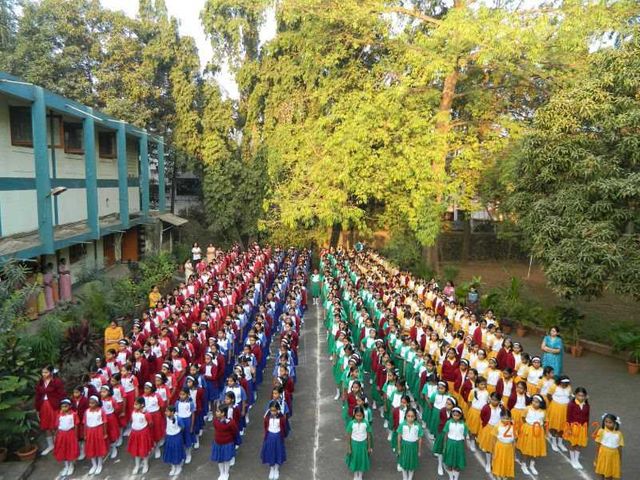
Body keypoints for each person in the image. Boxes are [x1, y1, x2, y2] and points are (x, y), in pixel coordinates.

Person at [35, 365, 66, 456]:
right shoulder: (40, 383)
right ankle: (50, 445)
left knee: (55, 426)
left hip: (54, 406)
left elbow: (62, 395)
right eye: (43, 372)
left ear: (51, 373)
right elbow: (37, 396)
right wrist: (37, 408)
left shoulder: (57, 382)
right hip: (43, 406)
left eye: (46, 372)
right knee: (46, 426)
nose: (44, 374)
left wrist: (63, 408)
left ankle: (59, 445)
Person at [516, 394, 547, 475]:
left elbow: (544, 421)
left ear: (541, 403)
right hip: (528, 429)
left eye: (537, 402)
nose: (534, 403)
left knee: (535, 448)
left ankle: (532, 465)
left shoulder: (543, 412)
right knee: (526, 448)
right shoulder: (527, 409)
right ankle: (523, 464)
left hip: (538, 431)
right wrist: (528, 426)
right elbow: (523, 418)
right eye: (533, 401)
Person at [564, 387, 590, 470]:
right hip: (574, 427)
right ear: (575, 395)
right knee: (573, 443)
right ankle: (572, 460)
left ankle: (576, 459)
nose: (581, 397)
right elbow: (568, 417)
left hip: (583, 428)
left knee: (579, 444)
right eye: (579, 395)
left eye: (582, 396)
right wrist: (569, 428)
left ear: (585, 396)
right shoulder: (571, 405)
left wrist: (586, 428)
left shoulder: (587, 405)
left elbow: (587, 417)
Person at [261, 400, 288, 480]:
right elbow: (265, 426)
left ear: (278, 410)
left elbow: (283, 427)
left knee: (277, 452)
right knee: (271, 453)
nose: (272, 412)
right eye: (271, 410)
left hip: (278, 437)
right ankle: (271, 469)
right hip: (270, 437)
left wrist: (282, 437)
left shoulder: (281, 418)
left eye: (274, 411)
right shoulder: (267, 417)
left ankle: (276, 469)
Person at [127, 397, 155, 475]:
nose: (134, 406)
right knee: (136, 450)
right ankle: (137, 465)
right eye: (134, 404)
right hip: (134, 433)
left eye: (136, 404)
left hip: (143, 434)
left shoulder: (146, 414)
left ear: (142, 405)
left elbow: (151, 424)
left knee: (144, 450)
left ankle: (145, 464)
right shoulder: (133, 412)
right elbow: (133, 421)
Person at [211, 404, 238, 480]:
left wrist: (231, 440)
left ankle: (226, 473)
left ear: (223, 413)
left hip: (227, 443)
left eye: (218, 411)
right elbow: (216, 429)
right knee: (220, 459)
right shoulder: (215, 421)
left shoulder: (230, 423)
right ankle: (221, 473)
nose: (216, 413)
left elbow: (234, 431)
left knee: (226, 459)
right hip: (218, 443)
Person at [53, 398, 79, 477]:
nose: (64, 408)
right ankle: (66, 466)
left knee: (70, 450)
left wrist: (75, 435)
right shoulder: (59, 415)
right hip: (61, 435)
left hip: (70, 434)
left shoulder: (73, 414)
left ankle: (71, 465)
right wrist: (56, 435)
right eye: (62, 406)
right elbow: (57, 426)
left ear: (70, 406)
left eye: (66, 406)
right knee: (63, 450)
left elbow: (76, 425)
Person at [396, 407, 424, 480]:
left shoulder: (418, 426)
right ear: (405, 416)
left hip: (413, 447)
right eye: (408, 416)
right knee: (404, 463)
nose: (410, 418)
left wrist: (419, 451)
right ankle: (405, 477)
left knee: (412, 464)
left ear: (415, 417)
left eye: (412, 416)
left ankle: (410, 477)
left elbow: (420, 439)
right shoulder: (402, 425)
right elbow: (399, 438)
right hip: (404, 446)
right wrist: (399, 449)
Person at [594, 413, 624, 480]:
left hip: (613, 456)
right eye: (606, 422)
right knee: (602, 472)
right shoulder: (601, 431)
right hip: (603, 454)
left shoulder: (619, 434)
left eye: (610, 422)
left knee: (609, 475)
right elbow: (598, 445)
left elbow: (620, 448)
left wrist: (620, 459)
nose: (607, 424)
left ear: (615, 423)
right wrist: (596, 458)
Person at [345, 406, 372, 480]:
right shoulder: (351, 423)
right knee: (355, 459)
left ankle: (360, 475)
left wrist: (369, 447)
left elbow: (369, 436)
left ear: (363, 415)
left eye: (360, 416)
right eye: (357, 415)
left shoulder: (366, 423)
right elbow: (348, 436)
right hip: (354, 445)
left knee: (361, 460)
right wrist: (349, 447)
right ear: (354, 415)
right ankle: (355, 475)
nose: (359, 418)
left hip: (363, 444)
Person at [84, 395, 108, 475]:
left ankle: (99, 464)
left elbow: (104, 422)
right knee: (91, 448)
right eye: (90, 403)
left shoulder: (101, 411)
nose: (91, 405)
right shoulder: (87, 412)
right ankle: (94, 464)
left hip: (98, 431)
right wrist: (85, 434)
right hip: (90, 432)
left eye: (93, 403)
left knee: (99, 448)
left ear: (97, 403)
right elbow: (85, 424)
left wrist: (105, 433)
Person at [442, 406, 468, 480]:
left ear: (461, 415)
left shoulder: (463, 424)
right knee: (449, 462)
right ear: (452, 415)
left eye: (458, 415)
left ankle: (456, 478)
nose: (456, 417)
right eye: (454, 415)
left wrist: (465, 446)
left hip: (459, 444)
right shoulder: (448, 423)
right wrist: (445, 445)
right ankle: (451, 477)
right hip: (450, 443)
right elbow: (446, 435)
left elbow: (464, 436)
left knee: (458, 463)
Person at [491, 410, 516, 480]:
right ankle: (498, 474)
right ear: (500, 417)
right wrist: (493, 451)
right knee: (499, 460)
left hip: (509, 447)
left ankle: (505, 473)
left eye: (507, 418)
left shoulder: (513, 426)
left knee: (507, 461)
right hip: (499, 446)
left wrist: (514, 451)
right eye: (503, 418)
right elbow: (494, 439)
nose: (505, 420)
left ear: (510, 418)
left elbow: (514, 440)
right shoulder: (497, 426)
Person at [163, 405, 186, 477]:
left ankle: (178, 466)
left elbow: (183, 427)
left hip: (176, 437)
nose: (165, 412)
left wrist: (177, 432)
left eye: (167, 411)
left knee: (177, 451)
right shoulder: (166, 418)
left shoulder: (178, 419)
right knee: (170, 452)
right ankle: (173, 467)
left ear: (172, 412)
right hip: (169, 437)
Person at [175, 388, 196, 464]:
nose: (181, 396)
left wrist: (191, 426)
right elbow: (176, 413)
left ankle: (188, 454)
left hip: (187, 422)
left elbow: (193, 415)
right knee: (181, 439)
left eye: (183, 394)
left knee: (188, 439)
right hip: (180, 422)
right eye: (180, 394)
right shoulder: (177, 403)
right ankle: (183, 454)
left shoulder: (190, 403)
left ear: (188, 395)